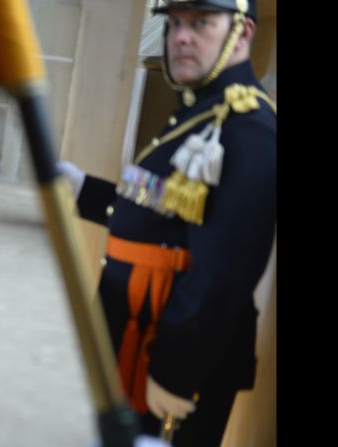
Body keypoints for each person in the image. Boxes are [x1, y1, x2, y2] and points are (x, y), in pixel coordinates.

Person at [57, 1, 275, 445]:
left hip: (171, 355)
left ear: (244, 32)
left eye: (200, 23)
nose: (180, 36)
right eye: (175, 22)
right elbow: (166, 210)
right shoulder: (198, 112)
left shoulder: (249, 128)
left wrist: (174, 372)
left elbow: (222, 274)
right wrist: (84, 191)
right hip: (138, 330)